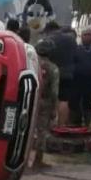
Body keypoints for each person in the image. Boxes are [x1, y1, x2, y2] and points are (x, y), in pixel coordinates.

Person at [31, 38, 59, 171]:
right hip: (45, 101)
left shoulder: (32, 63)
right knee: (42, 131)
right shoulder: (53, 68)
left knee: (28, 129)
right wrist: (54, 108)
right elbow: (54, 91)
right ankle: (38, 160)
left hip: (30, 98)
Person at [44, 21, 76, 126]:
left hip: (53, 73)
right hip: (68, 73)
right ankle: (61, 125)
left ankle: (50, 124)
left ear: (49, 30)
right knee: (64, 100)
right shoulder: (71, 40)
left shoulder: (48, 40)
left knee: (52, 98)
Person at [71, 27, 91, 126]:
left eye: (89, 35)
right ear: (81, 36)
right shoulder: (76, 49)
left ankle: (87, 125)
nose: (87, 37)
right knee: (74, 103)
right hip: (76, 81)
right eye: (85, 35)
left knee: (88, 104)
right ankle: (75, 124)